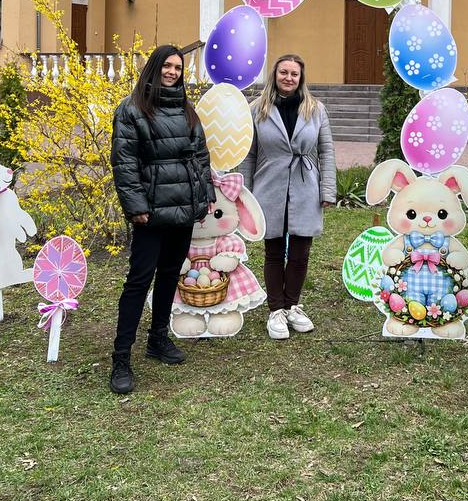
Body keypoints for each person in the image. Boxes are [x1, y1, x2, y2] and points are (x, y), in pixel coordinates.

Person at [109, 44, 216, 395]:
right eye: (167, 66)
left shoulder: (187, 109)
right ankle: (121, 358)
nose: (172, 72)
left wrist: (205, 195)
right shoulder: (131, 109)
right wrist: (136, 206)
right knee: (139, 281)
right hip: (151, 211)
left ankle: (158, 339)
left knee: (170, 273)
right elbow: (125, 163)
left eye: (177, 68)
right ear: (154, 68)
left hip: (182, 207)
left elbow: (201, 155)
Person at [238, 54, 336, 339]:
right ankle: (276, 309)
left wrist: (328, 190)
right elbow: (249, 154)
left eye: (294, 74)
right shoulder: (257, 109)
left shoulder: (315, 109)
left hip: (306, 187)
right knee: (273, 250)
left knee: (300, 252)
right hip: (269, 186)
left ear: (301, 78)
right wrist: (244, 194)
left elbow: (327, 151)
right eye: (284, 72)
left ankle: (292, 305)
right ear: (275, 74)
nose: (289, 78)